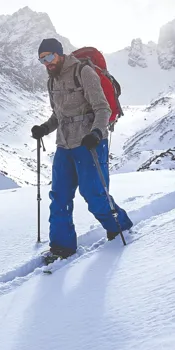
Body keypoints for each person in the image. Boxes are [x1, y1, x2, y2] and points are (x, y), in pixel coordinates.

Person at [30, 38, 133, 259]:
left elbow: (102, 108)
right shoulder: (52, 81)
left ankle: (120, 227)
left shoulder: (83, 72)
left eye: (48, 57)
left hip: (90, 143)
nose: (46, 63)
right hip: (64, 144)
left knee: (94, 194)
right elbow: (58, 115)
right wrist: (44, 128)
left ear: (59, 54)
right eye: (41, 59)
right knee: (59, 197)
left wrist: (96, 133)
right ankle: (61, 247)